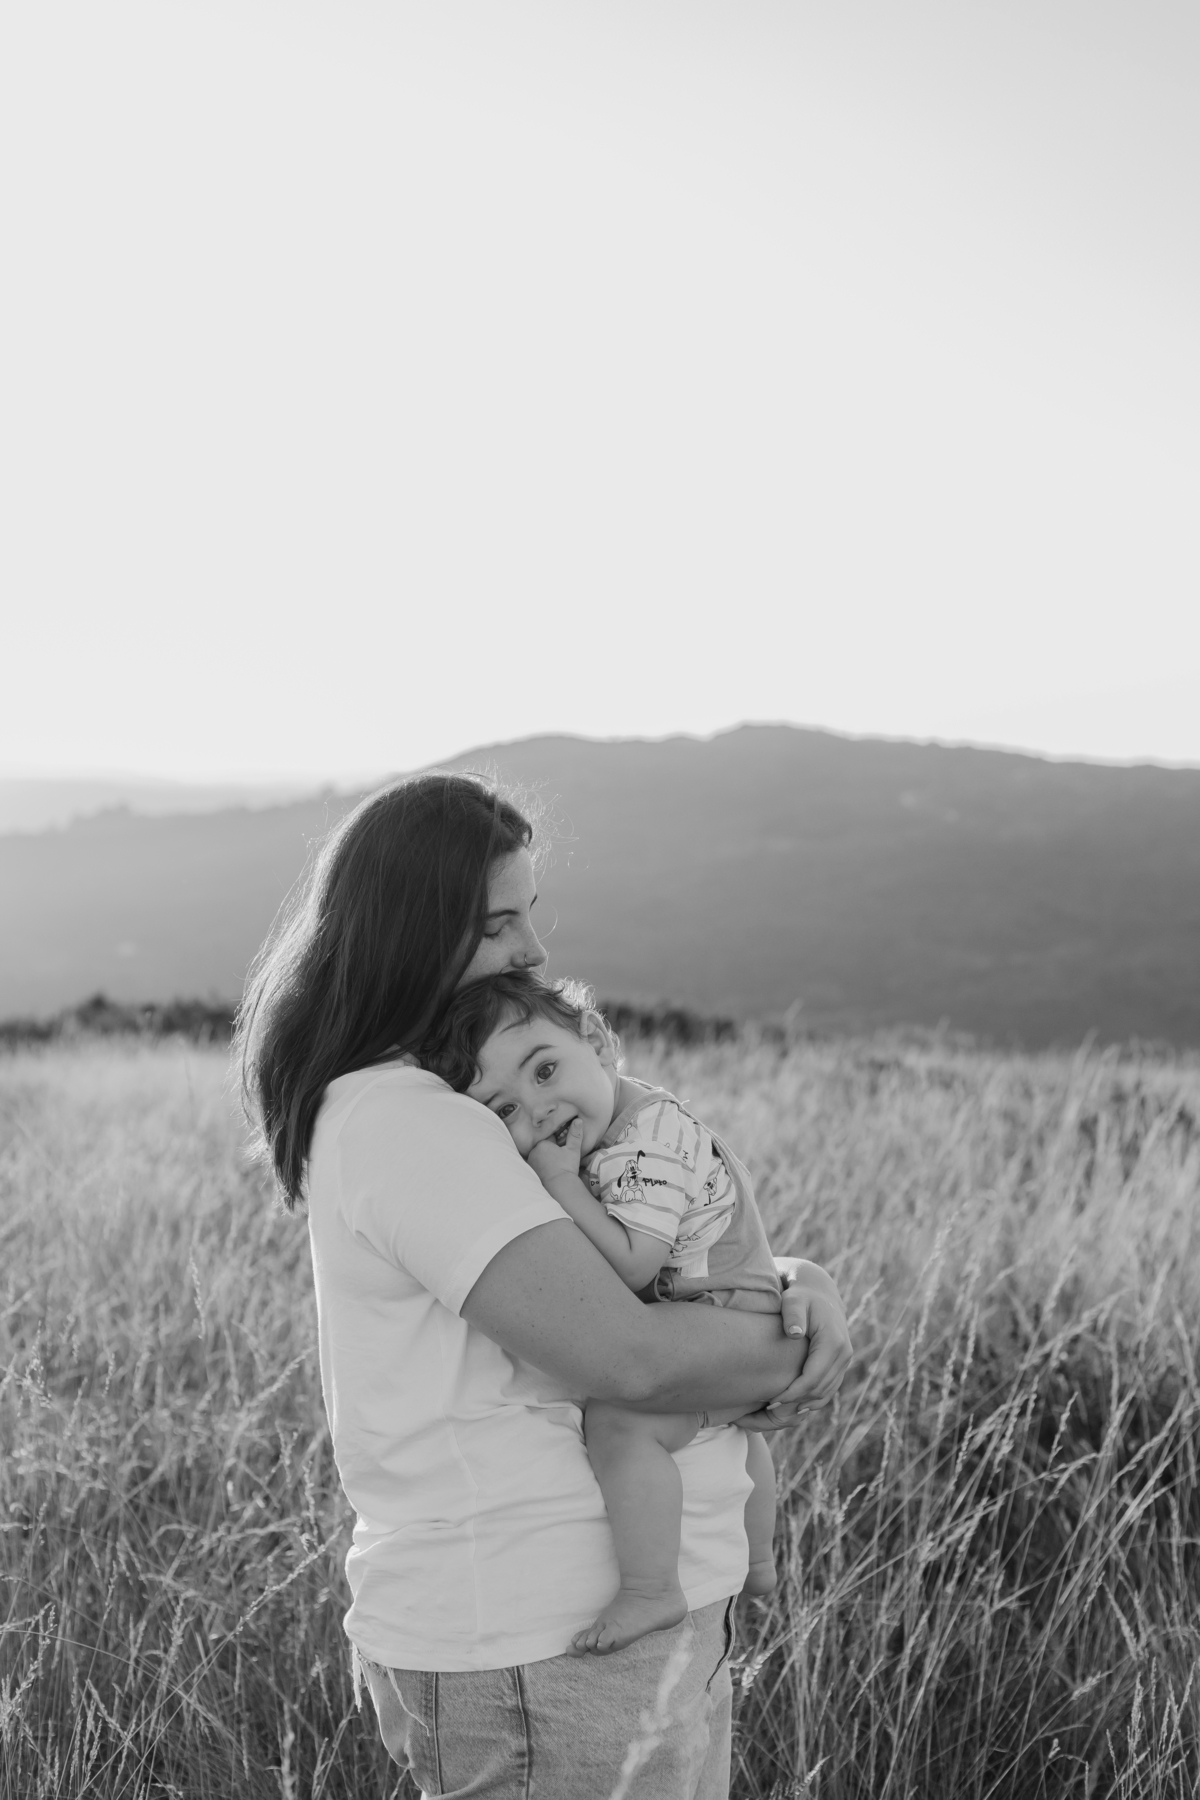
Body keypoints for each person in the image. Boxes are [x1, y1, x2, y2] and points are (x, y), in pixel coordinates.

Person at [238, 771, 853, 1800]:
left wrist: (792, 1277)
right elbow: (628, 1356)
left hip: (606, 1632)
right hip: (543, 1646)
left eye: (529, 912)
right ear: (407, 938)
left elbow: (636, 1283)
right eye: (497, 923)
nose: (533, 948)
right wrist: (792, 1346)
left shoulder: (461, 1103)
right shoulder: (412, 1122)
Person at [423, 969, 784, 1657]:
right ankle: (758, 1559)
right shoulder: (621, 1124)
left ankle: (652, 1589)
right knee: (736, 1426)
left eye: (546, 1069)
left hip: (721, 1308)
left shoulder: (646, 1139)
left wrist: (557, 1181)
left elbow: (633, 1265)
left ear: (599, 1041)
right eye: (504, 1109)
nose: (540, 1109)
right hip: (729, 1300)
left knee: (619, 1425)